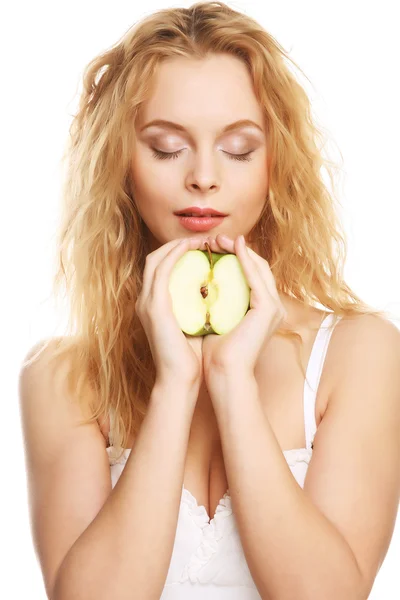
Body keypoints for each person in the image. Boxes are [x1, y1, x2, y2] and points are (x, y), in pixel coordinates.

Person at [19, 2, 400, 599]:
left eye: (239, 149)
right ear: (122, 164)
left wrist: (231, 380)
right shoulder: (62, 375)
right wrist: (174, 385)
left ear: (277, 163)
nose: (203, 176)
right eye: (167, 147)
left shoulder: (362, 353)